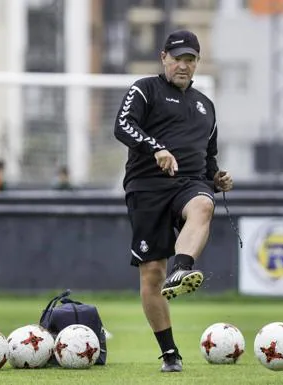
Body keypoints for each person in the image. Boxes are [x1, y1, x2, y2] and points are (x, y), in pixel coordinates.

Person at [113, 29, 234, 373]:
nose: (184, 65)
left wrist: (218, 177)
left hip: (190, 183)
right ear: (163, 57)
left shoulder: (206, 106)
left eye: (190, 59)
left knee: (204, 205)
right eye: (178, 58)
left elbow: (209, 158)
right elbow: (122, 126)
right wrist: (157, 148)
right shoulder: (145, 89)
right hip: (147, 186)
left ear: (197, 63)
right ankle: (170, 354)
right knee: (151, 273)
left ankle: (182, 268)